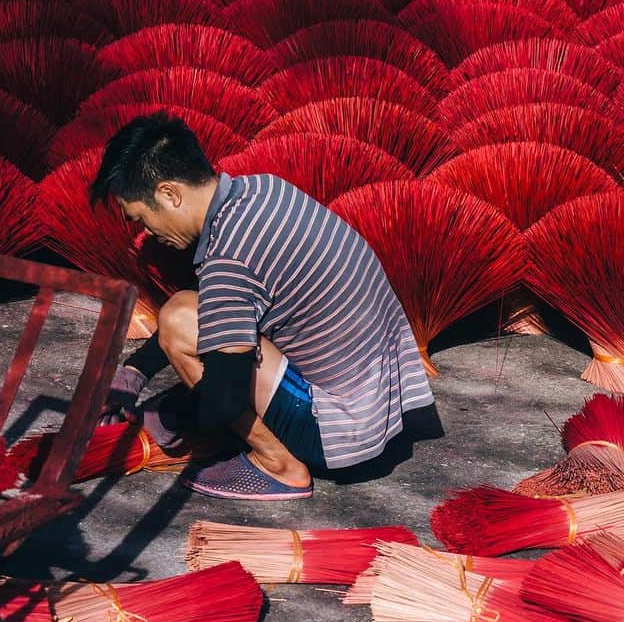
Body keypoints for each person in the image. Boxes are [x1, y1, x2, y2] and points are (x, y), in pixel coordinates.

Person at [90, 112, 434, 500]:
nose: (147, 232)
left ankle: (279, 465)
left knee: (178, 319)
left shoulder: (229, 258)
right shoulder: (261, 191)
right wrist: (134, 374)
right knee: (190, 309)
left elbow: (223, 400)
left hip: (337, 433)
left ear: (170, 194)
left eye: (141, 217)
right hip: (384, 409)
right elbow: (215, 310)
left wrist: (174, 417)